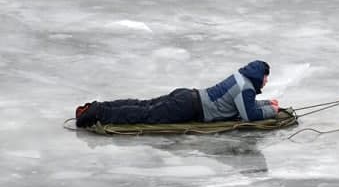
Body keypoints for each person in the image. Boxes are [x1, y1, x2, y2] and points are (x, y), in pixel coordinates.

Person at [75, 60, 282, 128]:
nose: (266, 81)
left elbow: (245, 105)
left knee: (142, 105)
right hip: (189, 107)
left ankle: (98, 107)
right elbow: (249, 115)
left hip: (188, 96)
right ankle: (97, 112)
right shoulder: (245, 88)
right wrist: (271, 111)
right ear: (259, 76)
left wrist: (267, 103)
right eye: (266, 77)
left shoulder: (241, 78)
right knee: (144, 114)